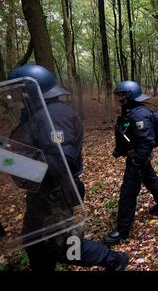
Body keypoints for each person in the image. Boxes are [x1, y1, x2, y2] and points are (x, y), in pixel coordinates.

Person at [7, 64, 129, 271]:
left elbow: (59, 162)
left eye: (19, 92)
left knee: (62, 245)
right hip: (41, 192)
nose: (17, 97)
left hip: (56, 192)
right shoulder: (39, 112)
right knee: (35, 242)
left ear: (29, 91)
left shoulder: (55, 115)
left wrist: (9, 161)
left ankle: (114, 260)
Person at [103, 81, 158, 245]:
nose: (119, 98)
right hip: (138, 158)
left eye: (122, 95)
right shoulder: (130, 111)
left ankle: (122, 230)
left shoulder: (139, 114)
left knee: (128, 193)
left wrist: (137, 161)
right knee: (151, 180)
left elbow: (147, 141)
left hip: (137, 160)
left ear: (130, 95)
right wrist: (120, 151)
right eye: (118, 95)